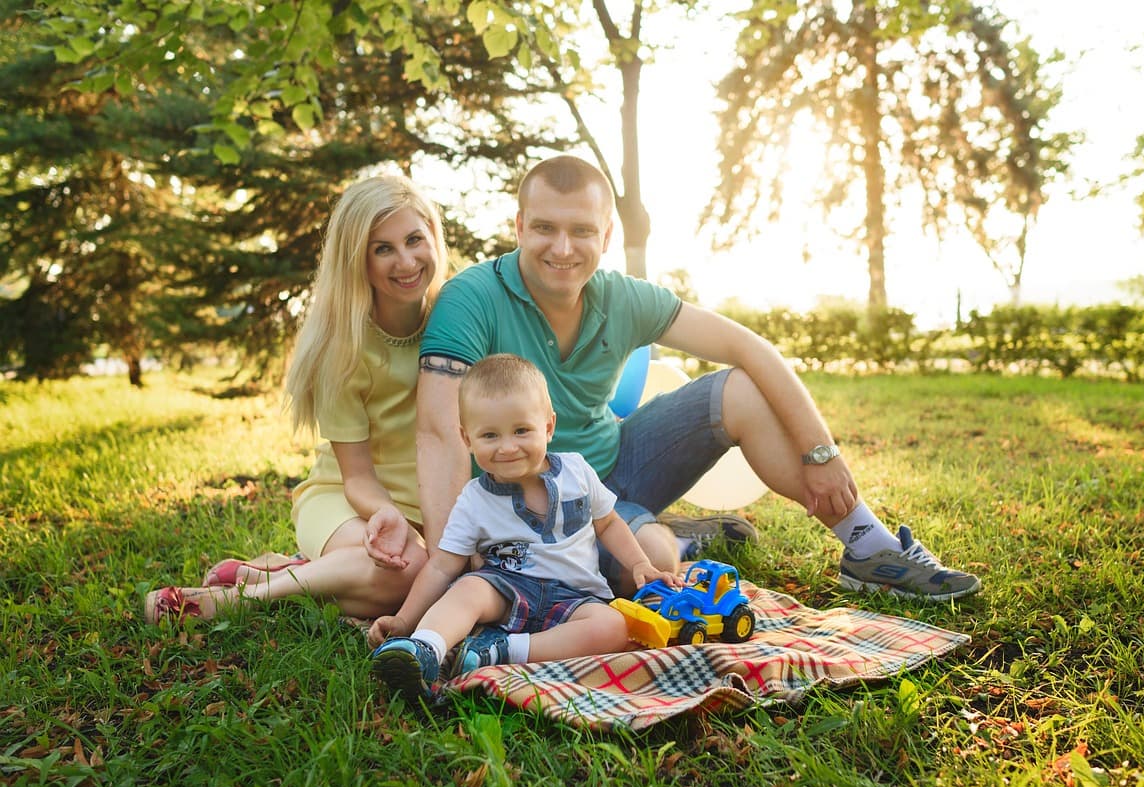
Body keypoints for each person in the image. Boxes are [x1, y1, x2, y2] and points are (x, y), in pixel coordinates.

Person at [379, 153, 979, 604]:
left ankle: (870, 549)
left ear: (606, 236)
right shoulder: (470, 299)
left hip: (619, 466)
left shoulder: (625, 298)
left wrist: (821, 450)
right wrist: (455, 566)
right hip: (524, 495)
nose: (563, 248)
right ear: (518, 226)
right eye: (545, 229)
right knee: (641, 571)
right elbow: (438, 433)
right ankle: (678, 537)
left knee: (739, 387)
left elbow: (751, 348)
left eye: (582, 231)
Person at [144, 174, 447, 623]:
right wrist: (387, 513)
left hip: (429, 511)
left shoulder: (455, 319)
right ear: (356, 259)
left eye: (413, 240)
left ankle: (289, 573)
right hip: (350, 504)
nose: (405, 261)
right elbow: (357, 478)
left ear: (434, 239)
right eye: (382, 248)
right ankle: (239, 600)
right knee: (412, 575)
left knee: (443, 581)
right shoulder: (343, 349)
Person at [366, 354, 682, 705]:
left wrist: (639, 563)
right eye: (489, 435)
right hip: (505, 589)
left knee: (612, 627)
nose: (507, 447)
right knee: (469, 588)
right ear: (466, 438)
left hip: (574, 596)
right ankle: (425, 646)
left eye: (521, 430)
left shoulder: (576, 472)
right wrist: (405, 618)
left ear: (548, 427)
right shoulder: (475, 499)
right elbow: (442, 565)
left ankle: (498, 652)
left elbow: (607, 522)